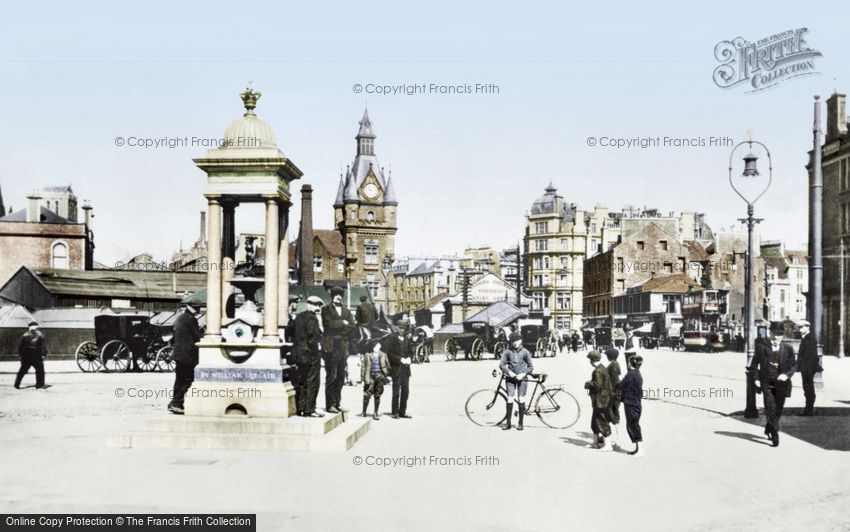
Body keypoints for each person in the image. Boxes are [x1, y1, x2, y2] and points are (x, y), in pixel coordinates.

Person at [750, 324, 796, 447]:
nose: (777, 337)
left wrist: (786, 375)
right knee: (770, 407)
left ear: (783, 335)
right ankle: (775, 436)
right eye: (774, 334)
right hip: (766, 383)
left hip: (782, 384)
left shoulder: (788, 349)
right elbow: (753, 365)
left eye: (779, 334)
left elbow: (793, 366)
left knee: (779, 409)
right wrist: (756, 379)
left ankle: (769, 427)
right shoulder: (761, 348)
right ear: (770, 334)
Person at [321, 286, 354, 414]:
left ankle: (337, 403)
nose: (338, 297)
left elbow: (352, 326)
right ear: (332, 296)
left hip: (342, 346)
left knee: (340, 376)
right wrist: (343, 323)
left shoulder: (347, 310)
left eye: (340, 294)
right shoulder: (326, 309)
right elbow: (329, 325)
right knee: (331, 376)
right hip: (330, 346)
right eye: (336, 294)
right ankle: (330, 405)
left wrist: (341, 329)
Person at [168, 302, 202, 414]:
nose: (198, 311)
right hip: (188, 355)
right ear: (193, 308)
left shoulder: (180, 317)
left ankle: (174, 403)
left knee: (179, 379)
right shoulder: (191, 319)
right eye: (197, 308)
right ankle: (176, 403)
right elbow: (197, 336)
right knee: (189, 379)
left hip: (179, 354)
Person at [294, 296, 324, 417]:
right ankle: (309, 409)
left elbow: (291, 331)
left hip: (299, 354)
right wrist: (320, 332)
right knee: (313, 382)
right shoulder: (313, 318)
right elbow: (313, 337)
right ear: (309, 305)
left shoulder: (299, 316)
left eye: (319, 306)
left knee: (302, 381)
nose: (317, 308)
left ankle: (300, 408)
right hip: (311, 354)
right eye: (315, 305)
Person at [499, 331, 534, 431]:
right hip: (510, 379)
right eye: (513, 341)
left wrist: (523, 374)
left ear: (521, 340)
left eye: (517, 340)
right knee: (510, 398)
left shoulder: (525, 352)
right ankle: (508, 423)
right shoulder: (507, 352)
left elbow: (531, 367)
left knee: (521, 398)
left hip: (522, 379)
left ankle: (520, 423)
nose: (515, 342)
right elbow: (502, 365)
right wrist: (509, 372)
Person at [383, 319, 413, 419]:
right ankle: (395, 412)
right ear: (396, 328)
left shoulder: (407, 339)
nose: (402, 330)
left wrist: (409, 358)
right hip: (396, 368)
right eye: (400, 328)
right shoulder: (391, 338)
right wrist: (400, 359)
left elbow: (410, 351)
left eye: (404, 328)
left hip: (406, 369)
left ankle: (402, 411)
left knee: (406, 391)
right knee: (396, 391)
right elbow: (389, 354)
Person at [584, 350, 612, 450]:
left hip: (600, 401)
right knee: (595, 422)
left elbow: (597, 385)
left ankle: (608, 445)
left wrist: (588, 384)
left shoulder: (597, 371)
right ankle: (595, 442)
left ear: (592, 360)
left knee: (601, 421)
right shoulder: (602, 368)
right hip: (603, 399)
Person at [620, 354, 644, 456]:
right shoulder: (638, 373)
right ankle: (638, 449)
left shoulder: (630, 374)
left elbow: (621, 385)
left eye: (629, 362)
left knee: (632, 425)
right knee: (634, 424)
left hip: (630, 403)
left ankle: (640, 450)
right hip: (636, 402)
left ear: (631, 364)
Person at [360, 340, 390, 420]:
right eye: (375, 346)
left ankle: (375, 412)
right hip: (370, 377)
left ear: (380, 347)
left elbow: (388, 366)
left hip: (379, 377)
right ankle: (363, 412)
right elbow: (363, 367)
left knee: (377, 395)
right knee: (366, 394)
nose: (376, 348)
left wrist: (384, 374)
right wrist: (363, 377)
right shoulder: (368, 355)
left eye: (378, 346)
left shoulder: (383, 355)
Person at [796, 320, 820, 416]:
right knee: (807, 388)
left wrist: (808, 369)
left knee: (808, 389)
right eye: (799, 327)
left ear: (807, 327)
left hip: (808, 369)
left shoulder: (809, 338)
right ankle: (808, 408)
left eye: (802, 327)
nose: (800, 329)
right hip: (806, 368)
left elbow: (812, 356)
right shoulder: (806, 338)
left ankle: (809, 409)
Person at [15, 321, 47, 389]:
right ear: (36, 327)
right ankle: (39, 385)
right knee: (40, 370)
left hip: (26, 355)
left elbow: (20, 346)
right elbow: (43, 346)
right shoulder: (40, 334)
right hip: (36, 355)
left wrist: (21, 356)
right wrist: (44, 354)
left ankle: (17, 384)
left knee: (23, 370)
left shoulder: (25, 335)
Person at [605, 348, 622, 429]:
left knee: (612, 412)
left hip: (613, 392)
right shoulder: (615, 364)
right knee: (610, 412)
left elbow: (615, 381)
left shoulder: (613, 366)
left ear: (609, 357)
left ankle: (609, 436)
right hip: (614, 391)